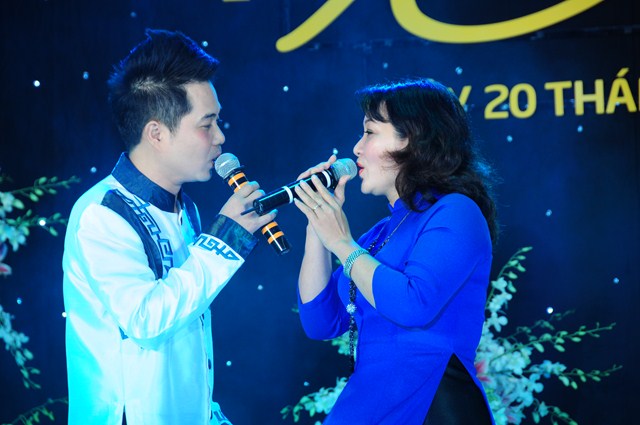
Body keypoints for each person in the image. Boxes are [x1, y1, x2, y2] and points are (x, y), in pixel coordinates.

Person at [62, 29, 276, 425]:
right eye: (206, 125)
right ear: (156, 133)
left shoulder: (185, 207)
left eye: (218, 121)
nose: (221, 137)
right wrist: (224, 239)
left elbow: (188, 328)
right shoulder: (101, 213)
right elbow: (145, 321)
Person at [293, 78, 498, 424]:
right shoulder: (379, 234)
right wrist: (318, 225)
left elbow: (412, 304)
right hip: (372, 402)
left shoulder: (456, 212)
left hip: (429, 405)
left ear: (414, 140)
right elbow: (320, 321)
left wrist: (342, 243)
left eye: (370, 133)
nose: (357, 148)